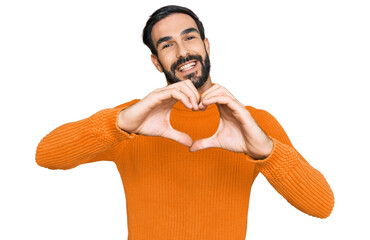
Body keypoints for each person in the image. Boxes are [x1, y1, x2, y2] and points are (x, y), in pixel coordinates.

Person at [36, 5, 334, 239]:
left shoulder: (252, 123)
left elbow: (322, 205)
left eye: (189, 37)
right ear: (156, 61)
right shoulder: (132, 120)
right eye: (167, 45)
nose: (182, 52)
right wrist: (121, 124)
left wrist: (265, 152)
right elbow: (46, 155)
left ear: (205, 44)